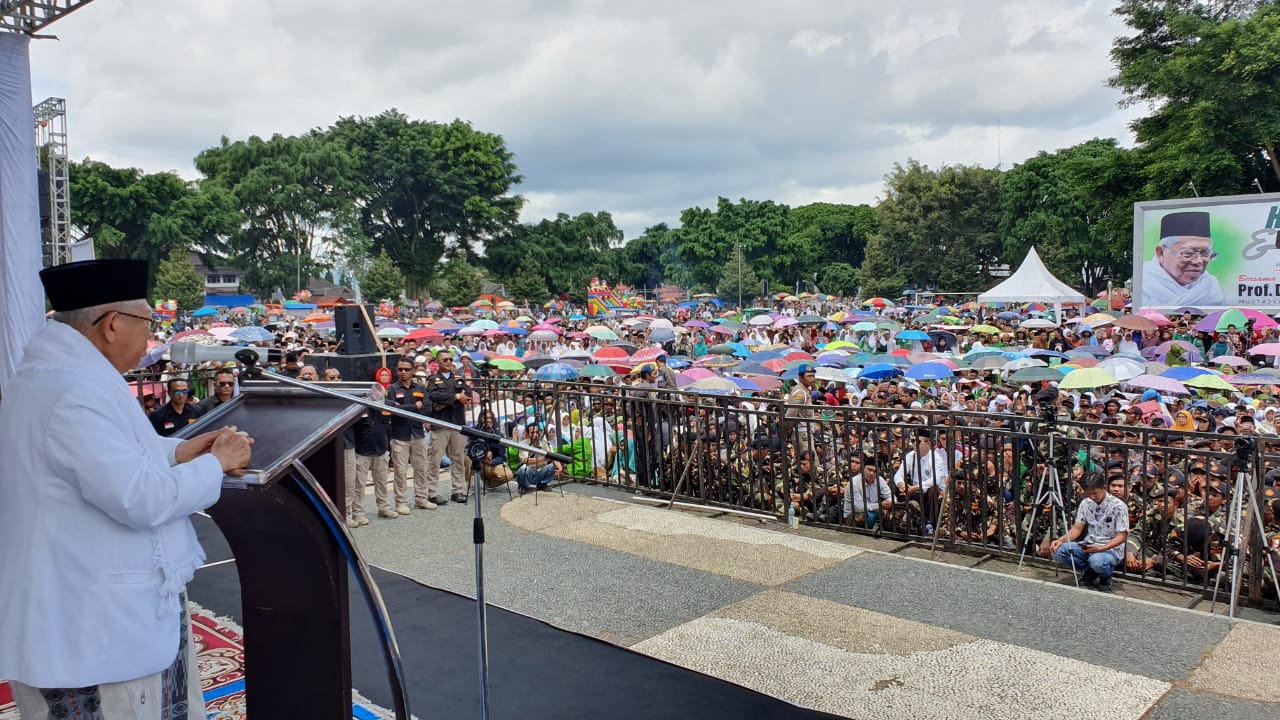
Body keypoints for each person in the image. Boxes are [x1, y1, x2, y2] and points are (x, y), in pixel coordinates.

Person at [0, 259, 253, 719]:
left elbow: (109, 456)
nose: (151, 337)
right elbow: (140, 498)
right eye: (148, 323)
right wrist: (218, 463)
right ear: (113, 324)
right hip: (92, 623)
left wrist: (177, 453)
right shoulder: (73, 391)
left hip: (88, 602)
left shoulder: (57, 378)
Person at [1050, 471, 1130, 592]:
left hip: (1110, 548)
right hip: (1089, 544)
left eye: (1094, 493)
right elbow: (1077, 528)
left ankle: (1105, 577)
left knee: (1097, 561)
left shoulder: (1119, 506)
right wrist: (1061, 540)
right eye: (1088, 494)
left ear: (1104, 488)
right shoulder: (1086, 503)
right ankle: (1090, 571)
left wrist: (1102, 548)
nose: (1092, 497)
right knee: (1058, 552)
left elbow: (1122, 535)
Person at [1141, 211, 1226, 307]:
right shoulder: (1143, 285)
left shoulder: (1211, 289)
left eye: (1205, 253)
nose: (1198, 261)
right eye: (1188, 253)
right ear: (1161, 253)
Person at [426, 352, 471, 504]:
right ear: (438, 361)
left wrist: (446, 400)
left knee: (458, 458)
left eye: (451, 359)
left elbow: (468, 395)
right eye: (445, 359)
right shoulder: (432, 379)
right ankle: (431, 492)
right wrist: (456, 397)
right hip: (440, 423)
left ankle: (457, 490)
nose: (448, 362)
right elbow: (433, 396)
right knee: (435, 459)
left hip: (457, 423)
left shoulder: (458, 378)